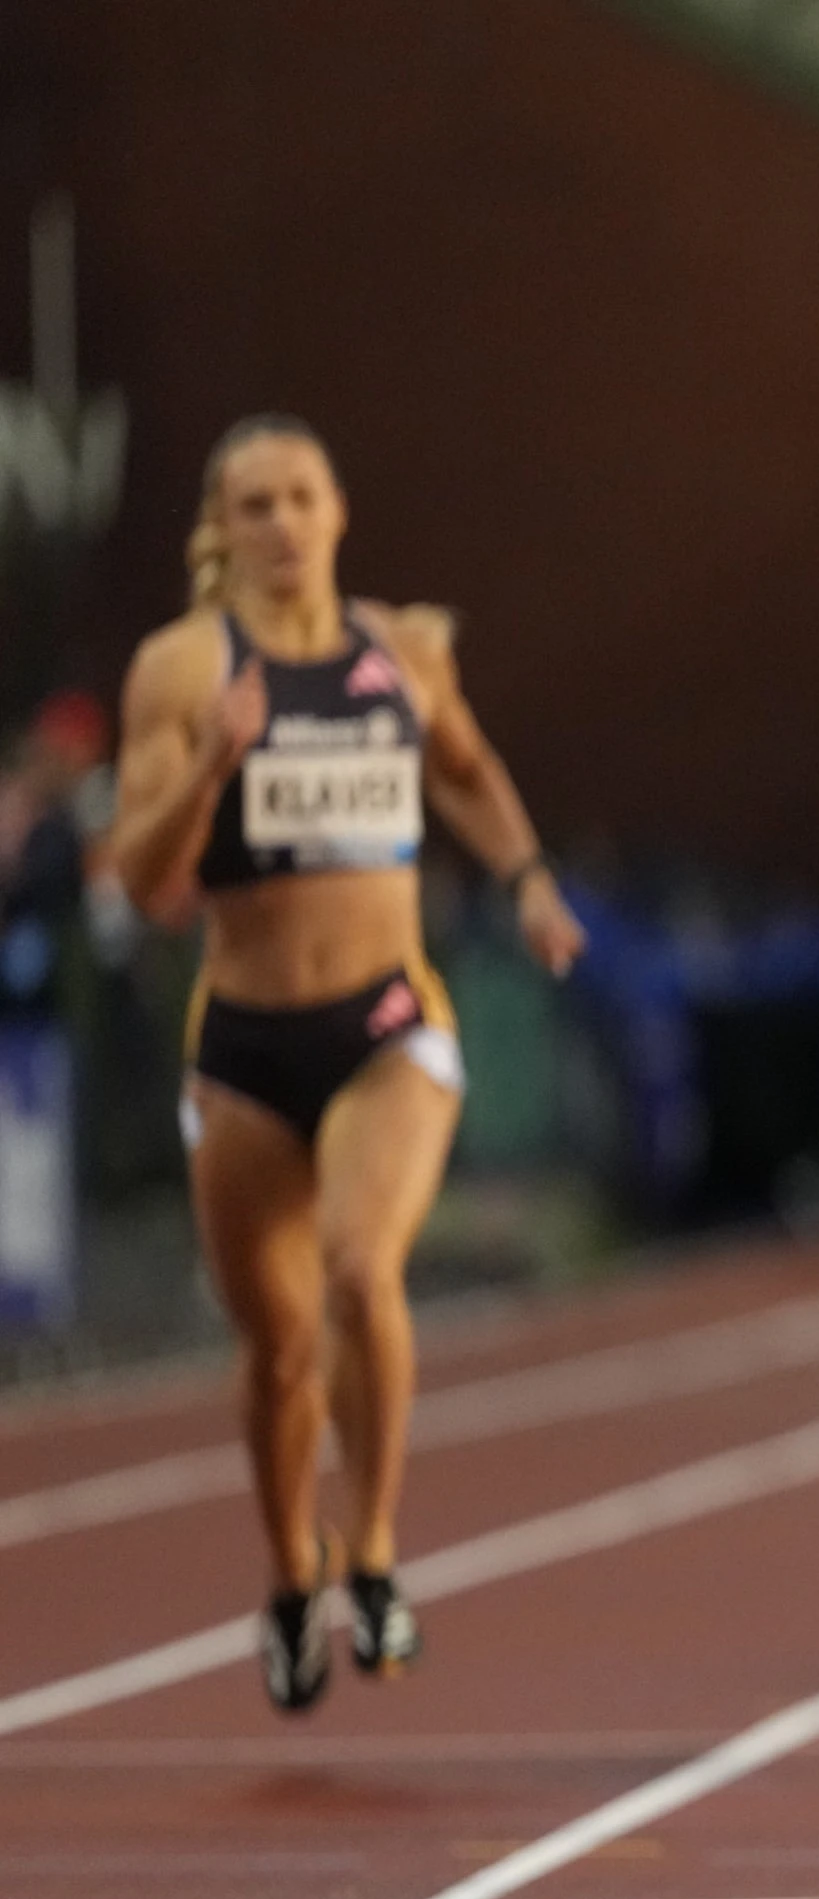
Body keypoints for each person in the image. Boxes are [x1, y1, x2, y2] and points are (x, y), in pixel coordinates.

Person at [105, 417, 585, 1711]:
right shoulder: (181, 669)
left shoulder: (402, 654)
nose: (281, 524)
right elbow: (141, 875)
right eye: (254, 504)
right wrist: (214, 761)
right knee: (276, 1354)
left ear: (338, 512)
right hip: (244, 1046)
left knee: (361, 1266)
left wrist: (528, 879)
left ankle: (370, 1552)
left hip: (386, 1024)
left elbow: (467, 773)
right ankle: (288, 1573)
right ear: (222, 528)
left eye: (300, 498)